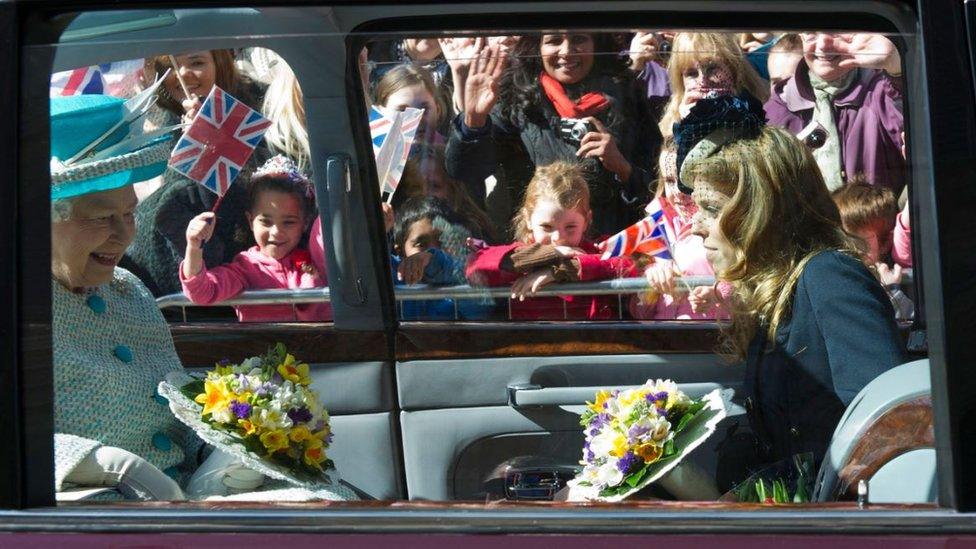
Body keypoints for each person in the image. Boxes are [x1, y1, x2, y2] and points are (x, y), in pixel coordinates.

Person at [50, 97, 355, 501]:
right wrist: (96, 461)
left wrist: (235, 440)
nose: (124, 235)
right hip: (101, 517)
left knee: (331, 506)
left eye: (128, 215)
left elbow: (172, 406)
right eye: (101, 218)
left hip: (190, 496)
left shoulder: (128, 289)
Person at [675, 95, 906, 471]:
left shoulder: (828, 276)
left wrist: (760, 490)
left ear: (760, 211)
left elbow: (881, 431)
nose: (695, 226)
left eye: (713, 210)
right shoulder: (775, 293)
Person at [446, 33, 661, 237]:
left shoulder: (628, 97)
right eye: (554, 40)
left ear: (596, 43)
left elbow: (659, 190)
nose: (566, 51)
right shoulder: (516, 101)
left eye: (579, 39)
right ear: (536, 47)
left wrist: (622, 167)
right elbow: (465, 171)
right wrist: (473, 121)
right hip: (544, 250)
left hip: (613, 251)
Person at [121, 50, 270, 298]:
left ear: (220, 64)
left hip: (242, 259)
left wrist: (210, 135)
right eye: (172, 66)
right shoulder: (173, 119)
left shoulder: (259, 105)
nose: (183, 75)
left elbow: (261, 179)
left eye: (197, 62)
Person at [466, 162, 636, 320]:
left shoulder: (598, 250)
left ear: (587, 220)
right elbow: (475, 266)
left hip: (594, 348)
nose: (557, 237)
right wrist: (550, 254)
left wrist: (564, 270)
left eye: (570, 227)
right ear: (528, 219)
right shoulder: (521, 255)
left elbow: (636, 265)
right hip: (537, 347)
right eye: (546, 227)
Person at [180, 155, 331, 322]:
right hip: (262, 347)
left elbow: (330, 220)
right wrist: (194, 247)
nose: (276, 232)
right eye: (266, 221)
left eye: (288, 222)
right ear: (251, 221)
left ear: (305, 224)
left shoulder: (315, 257)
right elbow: (201, 292)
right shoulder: (246, 268)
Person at [764, 33, 905, 193]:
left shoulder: (881, 91)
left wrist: (896, 68)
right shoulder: (779, 108)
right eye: (811, 33)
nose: (823, 44)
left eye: (835, 31)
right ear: (801, 37)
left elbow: (915, 134)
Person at [630, 141, 730, 320]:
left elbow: (749, 285)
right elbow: (639, 313)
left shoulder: (725, 226)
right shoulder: (654, 227)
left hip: (711, 338)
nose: (677, 192)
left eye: (685, 182)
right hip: (665, 339)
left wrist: (717, 293)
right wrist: (650, 285)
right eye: (669, 181)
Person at [392, 197, 493, 320]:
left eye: (443, 240)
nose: (433, 251)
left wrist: (435, 262)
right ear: (401, 251)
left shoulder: (466, 274)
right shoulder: (395, 279)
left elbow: (480, 309)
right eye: (421, 245)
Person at [658, 32, 769, 142]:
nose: (702, 81)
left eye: (711, 68)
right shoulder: (668, 132)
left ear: (734, 70)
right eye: (692, 73)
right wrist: (687, 127)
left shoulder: (760, 118)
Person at [831, 179, 914, 319]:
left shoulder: (889, 280)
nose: (847, 250)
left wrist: (890, 293)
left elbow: (909, 321)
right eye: (839, 241)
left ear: (885, 243)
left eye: (858, 243)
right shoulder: (830, 276)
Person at [397, 143, 496, 242]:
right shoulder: (400, 229)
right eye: (416, 187)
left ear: (453, 190)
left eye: (434, 186)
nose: (424, 194)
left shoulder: (473, 233)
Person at [373, 64, 450, 146]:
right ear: (381, 114)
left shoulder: (453, 154)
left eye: (424, 109)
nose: (417, 119)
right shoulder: (367, 153)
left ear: (437, 110)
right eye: (403, 111)